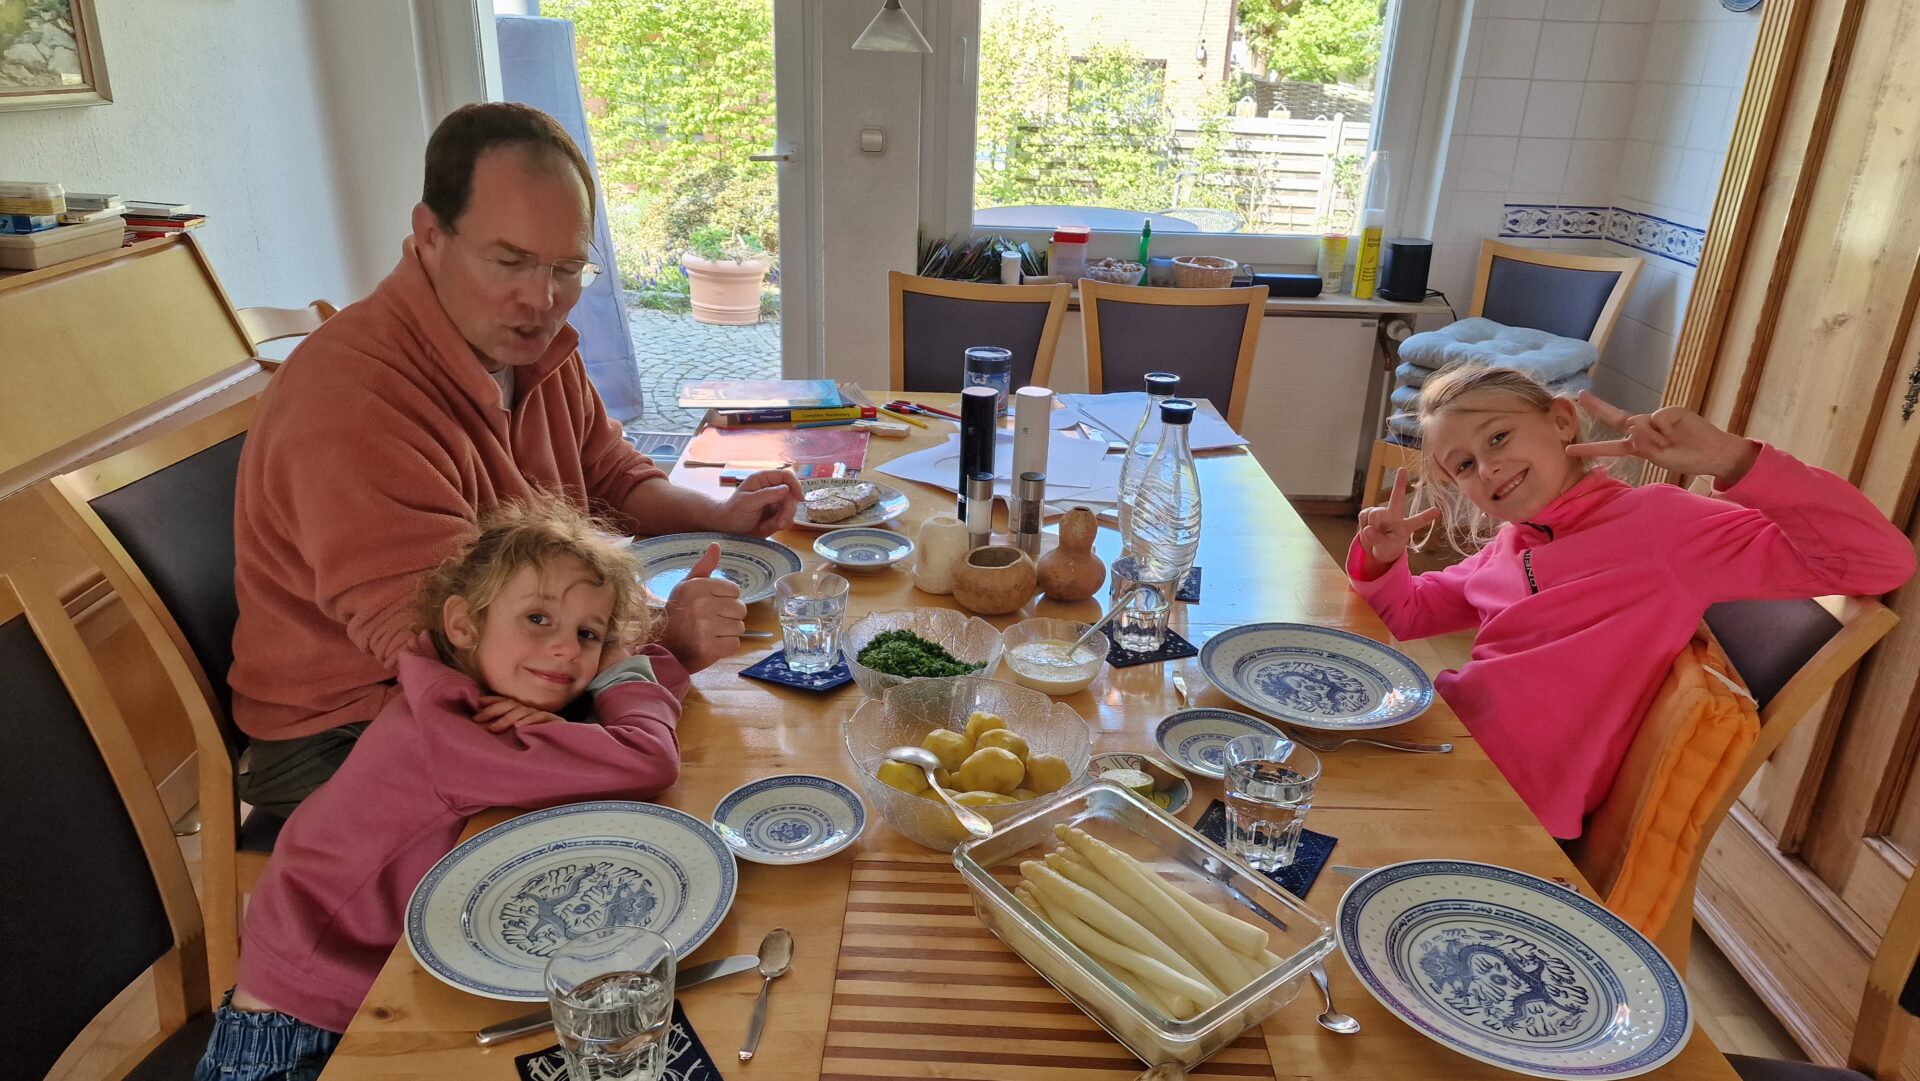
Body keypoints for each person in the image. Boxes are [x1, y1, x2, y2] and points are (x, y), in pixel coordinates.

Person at [230, 101, 800, 813]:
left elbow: (610, 475)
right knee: (663, 809)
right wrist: (663, 642)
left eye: (568, 268)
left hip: (507, 670)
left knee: (724, 761)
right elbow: (448, 650)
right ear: (429, 235)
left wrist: (720, 516)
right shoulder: (350, 402)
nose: (543, 299)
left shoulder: (530, 344)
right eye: (510, 261)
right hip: (352, 726)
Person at [196, 495, 684, 1081]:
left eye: (588, 635)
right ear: (463, 623)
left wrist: (621, 681)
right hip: (297, 1029)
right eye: (538, 619)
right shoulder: (455, 734)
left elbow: (608, 742)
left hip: (353, 973)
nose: (565, 649)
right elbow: (648, 759)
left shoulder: (457, 688)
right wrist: (627, 676)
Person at [1349, 364, 1915, 840]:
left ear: (1562, 421)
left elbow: (1878, 562)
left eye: (1498, 438)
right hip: (1451, 749)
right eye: (1464, 466)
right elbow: (1408, 613)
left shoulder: (1663, 524)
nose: (1487, 467)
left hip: (1508, 806)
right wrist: (1382, 557)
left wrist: (1732, 459)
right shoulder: (1512, 543)